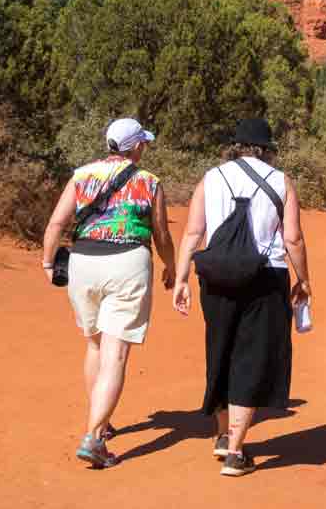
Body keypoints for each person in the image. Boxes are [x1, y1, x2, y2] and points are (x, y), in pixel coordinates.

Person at [170, 117, 311, 478]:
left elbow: (193, 232)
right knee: (252, 356)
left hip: (215, 276)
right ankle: (235, 453)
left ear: (236, 145)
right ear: (267, 148)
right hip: (265, 277)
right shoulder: (281, 181)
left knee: (221, 349)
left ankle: (221, 435)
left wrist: (183, 277)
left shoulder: (210, 177)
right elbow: (292, 238)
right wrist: (303, 279)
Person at [41, 117, 176, 468]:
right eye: (143, 143)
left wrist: (47, 260)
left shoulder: (82, 174)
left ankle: (100, 421)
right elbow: (161, 232)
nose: (145, 147)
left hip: (84, 262)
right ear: (135, 146)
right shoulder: (149, 181)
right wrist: (171, 267)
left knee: (94, 344)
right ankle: (94, 436)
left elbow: (56, 223)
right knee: (115, 354)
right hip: (128, 262)